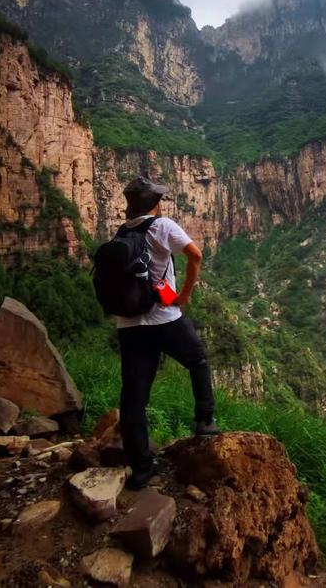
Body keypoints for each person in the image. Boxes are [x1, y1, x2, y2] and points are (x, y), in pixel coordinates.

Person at [117, 175, 220, 489]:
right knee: (198, 360)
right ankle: (204, 420)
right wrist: (185, 294)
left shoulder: (121, 232)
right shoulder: (162, 226)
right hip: (164, 317)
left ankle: (142, 468)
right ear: (154, 203)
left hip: (129, 325)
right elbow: (196, 255)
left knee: (134, 397)